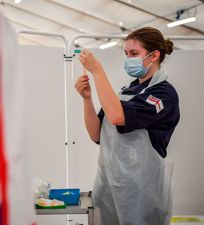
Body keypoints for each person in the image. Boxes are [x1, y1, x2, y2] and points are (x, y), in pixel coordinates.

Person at [75, 27, 180, 225]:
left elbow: (116, 117)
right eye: (126, 53)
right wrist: (87, 99)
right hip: (110, 187)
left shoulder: (163, 95)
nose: (128, 58)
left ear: (154, 55)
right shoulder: (126, 91)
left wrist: (97, 71)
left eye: (134, 53)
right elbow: (96, 134)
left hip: (142, 193)